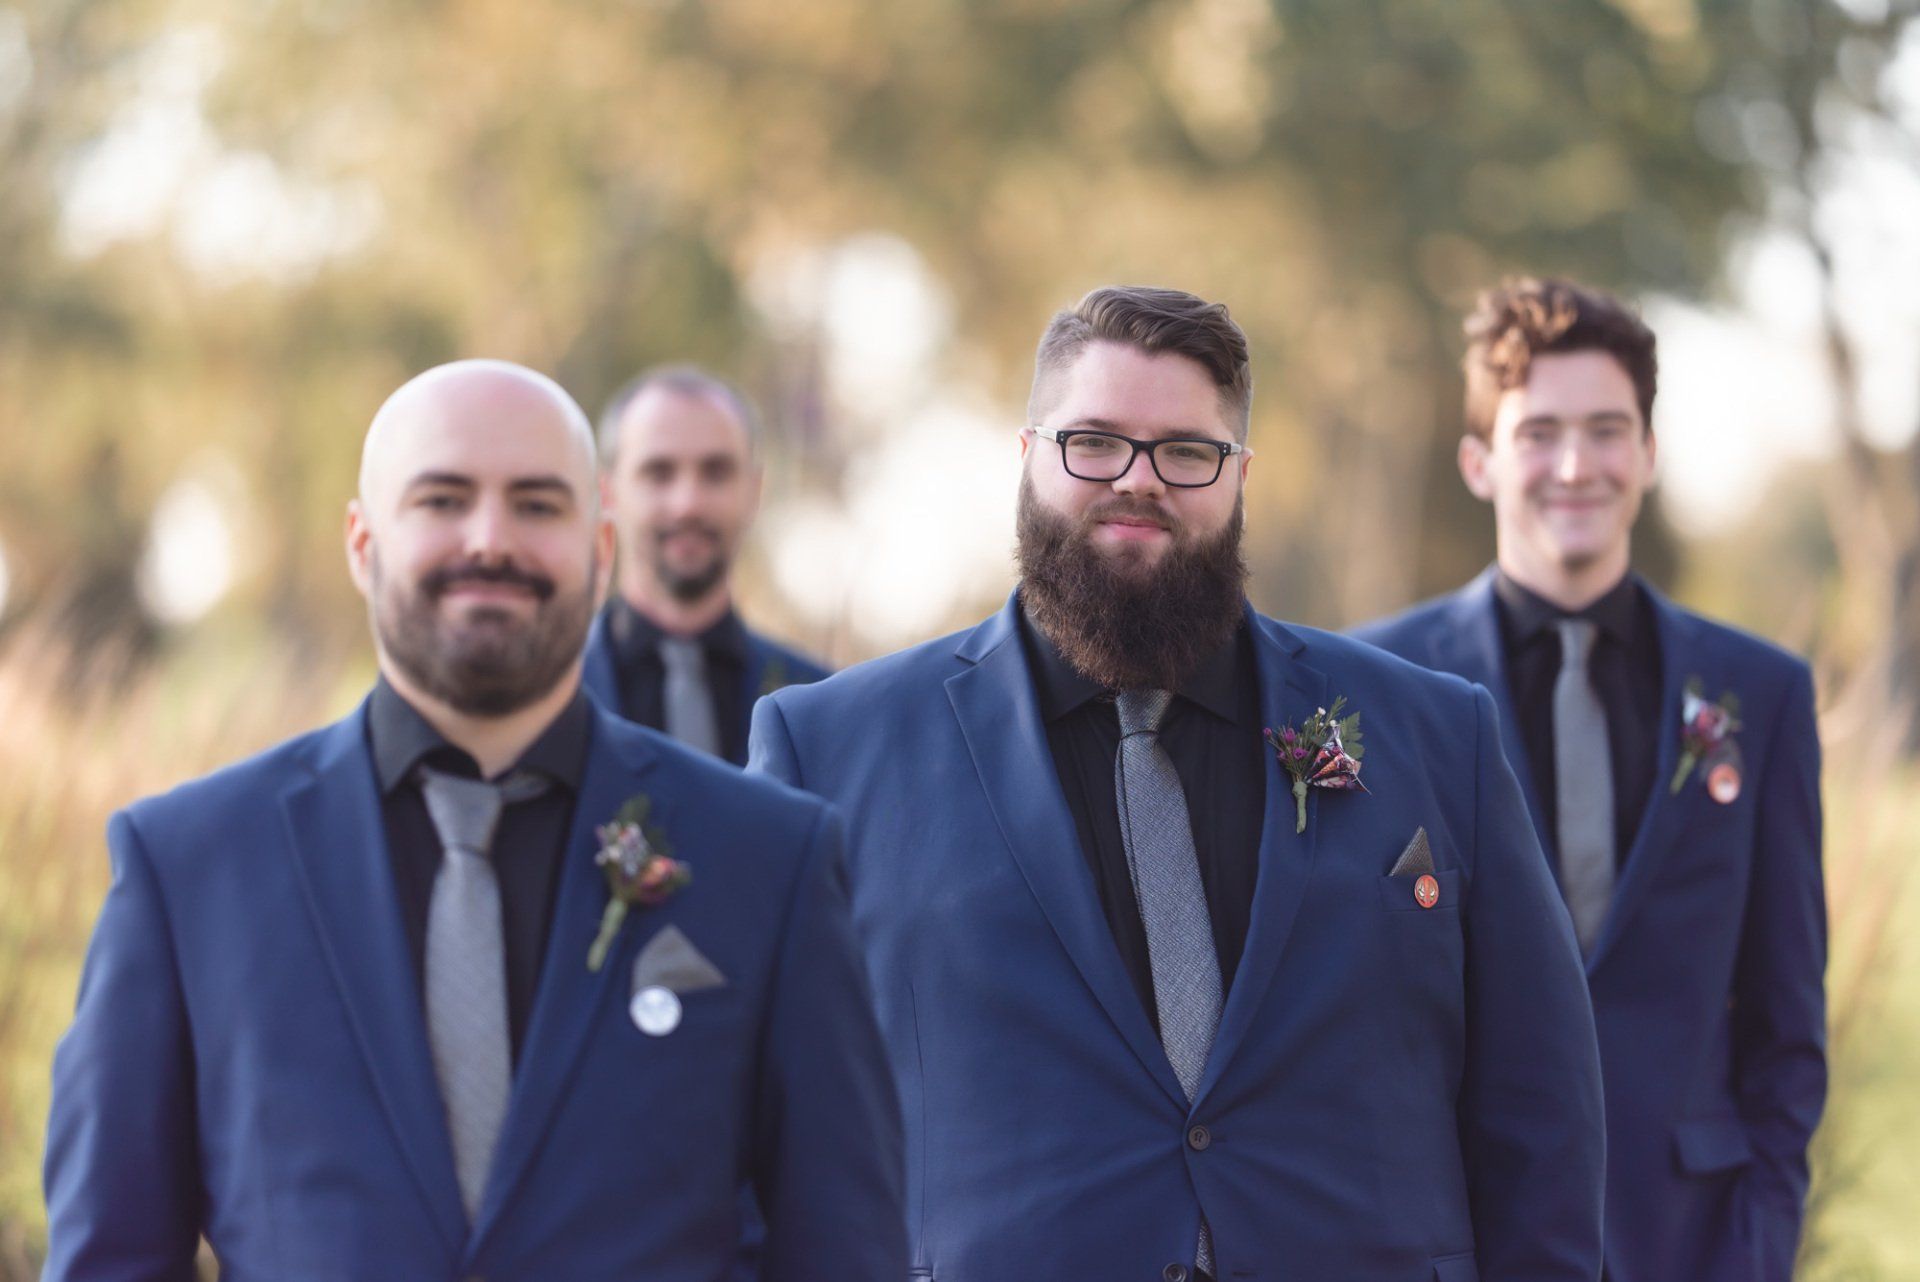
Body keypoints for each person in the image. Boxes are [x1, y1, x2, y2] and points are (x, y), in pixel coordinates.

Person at [749, 286, 1605, 1281]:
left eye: (1187, 452)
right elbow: (757, 1134)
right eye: (1093, 442)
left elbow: (1542, 1114)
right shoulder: (828, 752)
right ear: (1027, 455)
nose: (1138, 480)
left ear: (1239, 475)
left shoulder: (1439, 736)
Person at [43, 360, 904, 1281]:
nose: (490, 541)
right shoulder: (189, 868)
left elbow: (844, 1254)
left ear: (600, 550)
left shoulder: (770, 859)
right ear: (362, 543)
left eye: (537, 505)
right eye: (443, 500)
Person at [1354, 278, 1826, 1282]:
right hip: (1462, 1239)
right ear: (1480, 461)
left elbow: (1787, 1027)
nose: (1576, 465)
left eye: (1608, 430)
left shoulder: (1761, 694)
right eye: (1540, 433)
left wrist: (1759, 1249)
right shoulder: (1376, 690)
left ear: (1647, 453)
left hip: (1694, 1244)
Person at [583, 366, 829, 763]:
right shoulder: (540, 698)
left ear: (754, 490)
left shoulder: (823, 702)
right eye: (659, 473)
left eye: (716, 473)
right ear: (608, 493)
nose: (688, 504)